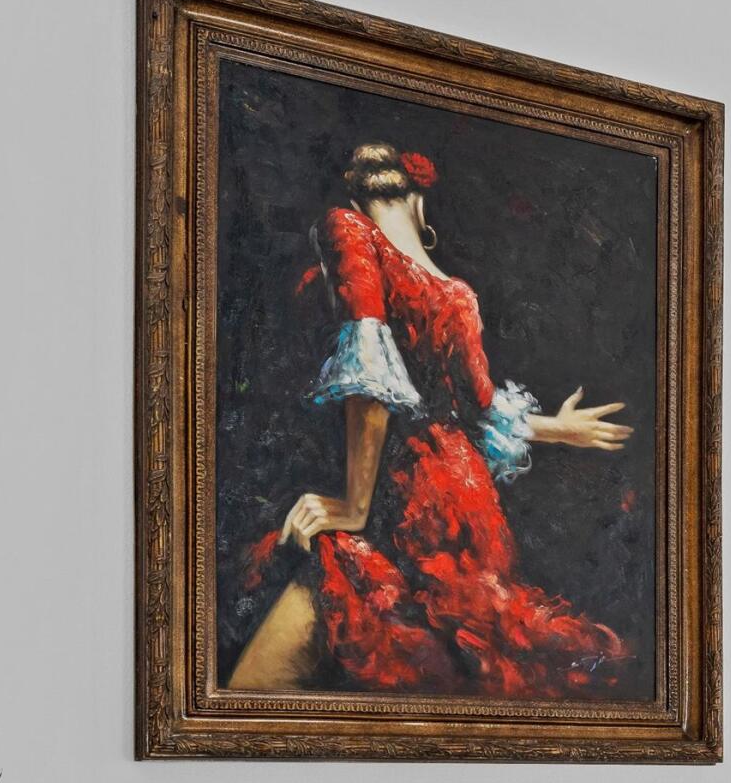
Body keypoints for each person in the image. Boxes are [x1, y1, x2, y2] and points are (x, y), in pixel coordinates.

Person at [227, 144, 635, 693]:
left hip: (400, 501)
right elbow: (473, 412)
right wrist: (558, 428)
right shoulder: (459, 297)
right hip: (466, 512)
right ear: (420, 204)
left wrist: (354, 505)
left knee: (260, 686)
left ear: (358, 200)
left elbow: (371, 379)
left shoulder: (347, 229)